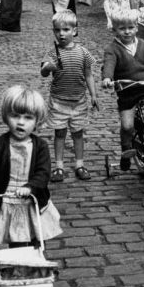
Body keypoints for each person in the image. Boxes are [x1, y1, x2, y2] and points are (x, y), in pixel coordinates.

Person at [0, 85, 63, 249]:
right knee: (16, 239)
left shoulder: (40, 146)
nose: (21, 122)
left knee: (36, 236)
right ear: (6, 117)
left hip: (31, 200)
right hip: (7, 199)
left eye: (28, 117)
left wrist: (31, 187)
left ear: (37, 120)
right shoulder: (0, 144)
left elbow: (43, 173)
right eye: (15, 116)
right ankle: (17, 267)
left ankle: (35, 261)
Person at [100, 7, 144, 172]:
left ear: (137, 27)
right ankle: (126, 150)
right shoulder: (112, 49)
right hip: (128, 92)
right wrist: (107, 78)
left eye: (131, 27)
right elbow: (109, 64)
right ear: (114, 29)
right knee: (128, 126)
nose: (127, 32)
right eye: (122, 28)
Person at [40, 10, 99, 182]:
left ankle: (79, 164)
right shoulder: (52, 53)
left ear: (74, 31)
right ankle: (59, 166)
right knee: (59, 134)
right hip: (58, 101)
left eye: (65, 30)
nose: (61, 34)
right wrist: (48, 68)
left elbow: (88, 74)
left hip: (79, 101)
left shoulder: (83, 52)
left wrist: (93, 95)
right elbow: (43, 72)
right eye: (57, 30)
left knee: (78, 134)